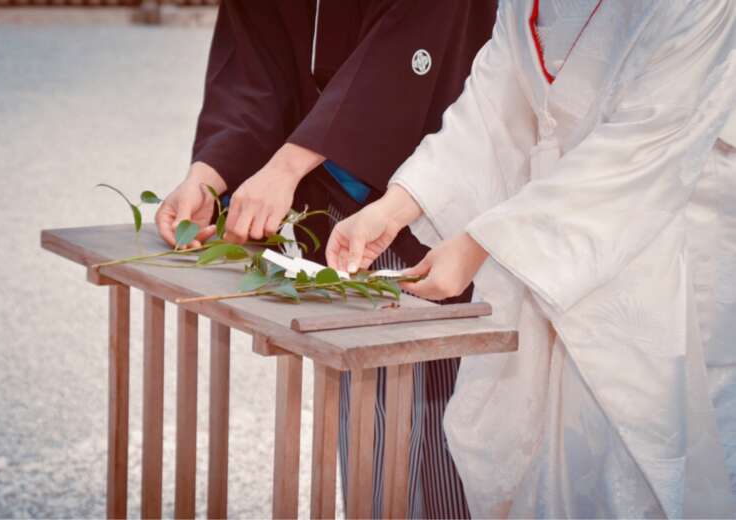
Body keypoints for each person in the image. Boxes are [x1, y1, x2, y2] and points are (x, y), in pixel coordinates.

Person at [327, 0, 736, 516]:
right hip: (541, 234)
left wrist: (483, 243)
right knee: (544, 455)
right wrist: (397, 204)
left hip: (666, 227)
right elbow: (493, 103)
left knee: (647, 453)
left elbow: (641, 145)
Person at [154, 1, 497, 516]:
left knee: (437, 409)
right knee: (368, 415)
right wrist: (210, 174)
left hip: (418, 182)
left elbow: (406, 49)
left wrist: (287, 164)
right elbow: (252, 63)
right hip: (323, 189)